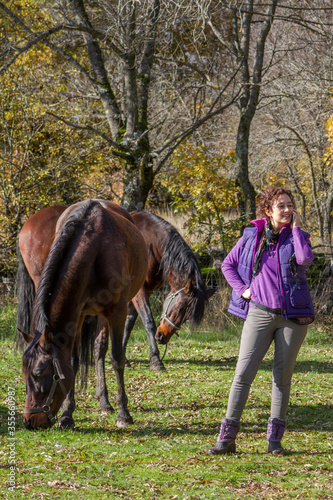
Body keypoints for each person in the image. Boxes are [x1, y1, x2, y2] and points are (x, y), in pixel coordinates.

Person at [208, 187, 315, 455]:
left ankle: (274, 441)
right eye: (282, 206)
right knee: (243, 375)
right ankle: (226, 439)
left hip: (293, 317)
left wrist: (296, 229)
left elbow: (304, 259)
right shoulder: (252, 236)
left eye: (291, 205)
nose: (288, 210)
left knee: (282, 378)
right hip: (259, 312)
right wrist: (242, 289)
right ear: (268, 210)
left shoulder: (297, 236)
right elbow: (227, 265)